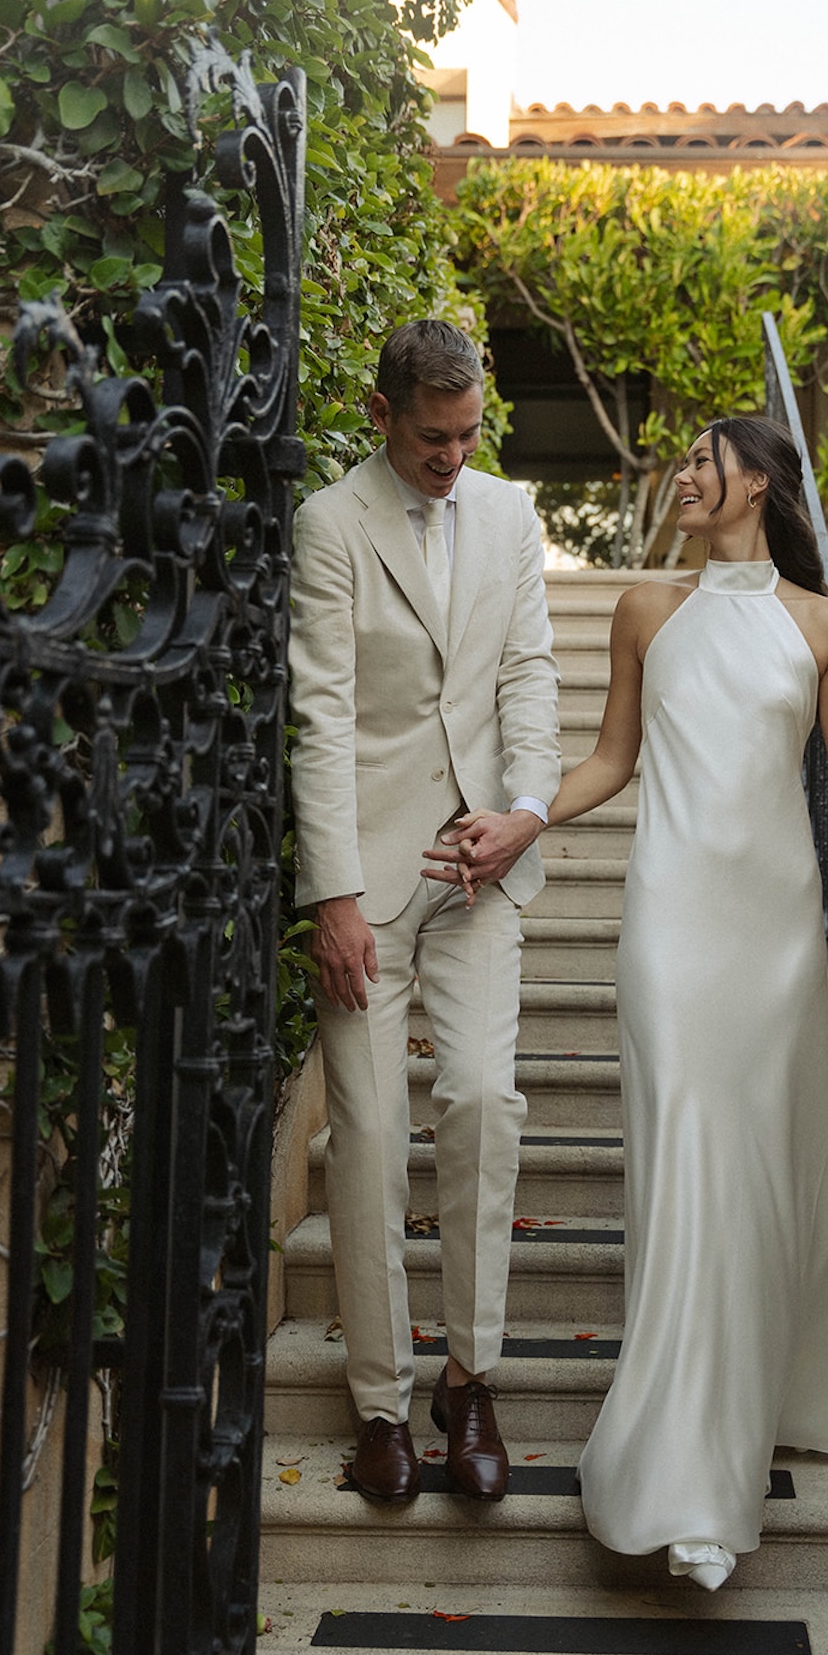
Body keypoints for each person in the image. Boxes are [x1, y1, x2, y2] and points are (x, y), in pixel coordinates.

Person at [440, 413, 828, 1588]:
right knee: (686, 1175)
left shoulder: (827, 628)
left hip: (773, 936)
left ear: (756, 483)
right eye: (680, 461)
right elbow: (612, 760)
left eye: (702, 463)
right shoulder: (642, 611)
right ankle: (686, 1480)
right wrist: (523, 819)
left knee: (758, 1172)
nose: (681, 475)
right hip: (669, 928)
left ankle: (764, 1402)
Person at [288, 318, 560, 1506]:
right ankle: (382, 1407)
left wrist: (528, 810)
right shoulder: (328, 525)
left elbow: (526, 671)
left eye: (468, 433)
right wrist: (333, 896)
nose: (454, 456)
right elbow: (321, 714)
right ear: (383, 413)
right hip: (367, 879)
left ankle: (469, 1380)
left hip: (480, 869)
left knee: (483, 1099)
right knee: (364, 1138)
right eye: (433, 437)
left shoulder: (509, 513)